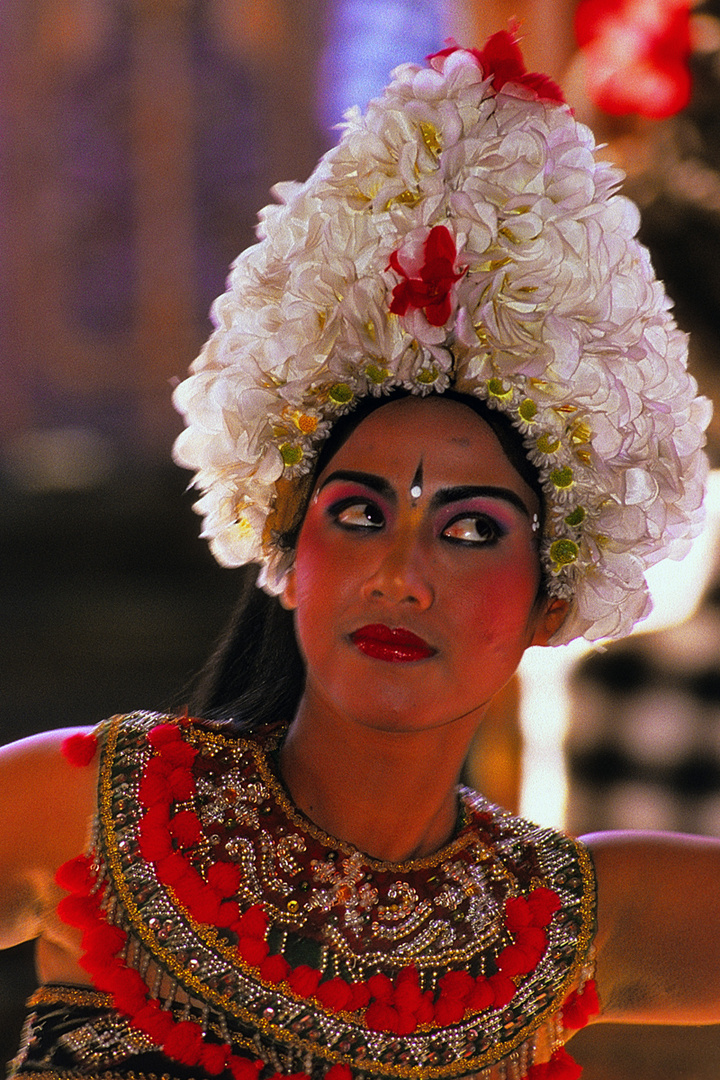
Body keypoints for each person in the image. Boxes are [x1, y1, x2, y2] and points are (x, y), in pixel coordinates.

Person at [1, 30, 717, 1080]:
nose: (401, 573)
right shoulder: (91, 809)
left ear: (550, 606)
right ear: (288, 554)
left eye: (471, 529)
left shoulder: (576, 923)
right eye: (358, 514)